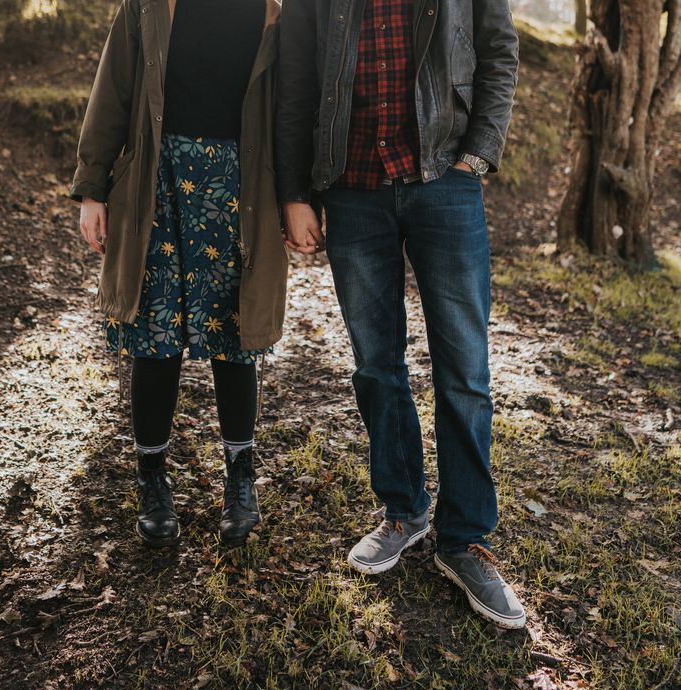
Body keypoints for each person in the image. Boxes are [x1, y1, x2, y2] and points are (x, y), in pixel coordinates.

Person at [277, 0, 525, 628]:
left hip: (445, 177)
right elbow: (297, 80)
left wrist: (480, 148)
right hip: (352, 186)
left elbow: (499, 49)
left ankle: (464, 539)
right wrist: (294, 192)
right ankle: (404, 510)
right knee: (376, 365)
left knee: (465, 372)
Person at [71, 0, 286, 549]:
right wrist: (93, 188)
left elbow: (290, 113)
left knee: (235, 338)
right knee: (156, 336)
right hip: (156, 184)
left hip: (238, 191)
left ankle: (240, 478)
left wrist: (297, 198)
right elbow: (112, 93)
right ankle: (152, 479)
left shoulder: (271, 13)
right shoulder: (147, 6)